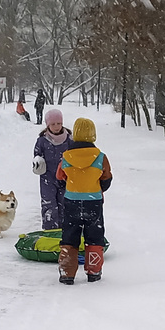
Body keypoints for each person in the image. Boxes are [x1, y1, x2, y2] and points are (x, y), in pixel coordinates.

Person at [56, 117, 112, 284]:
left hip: (71, 202)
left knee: (69, 236)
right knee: (94, 236)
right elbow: (106, 179)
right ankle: (94, 271)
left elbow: (59, 178)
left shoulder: (66, 157)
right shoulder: (100, 157)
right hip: (93, 202)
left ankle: (67, 272)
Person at [31, 108, 73, 230]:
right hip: (47, 178)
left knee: (65, 204)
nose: (56, 127)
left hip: (65, 178)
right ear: (48, 125)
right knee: (49, 204)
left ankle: (65, 229)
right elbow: (37, 154)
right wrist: (38, 161)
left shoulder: (69, 139)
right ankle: (50, 229)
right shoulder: (42, 140)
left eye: (59, 123)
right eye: (53, 124)